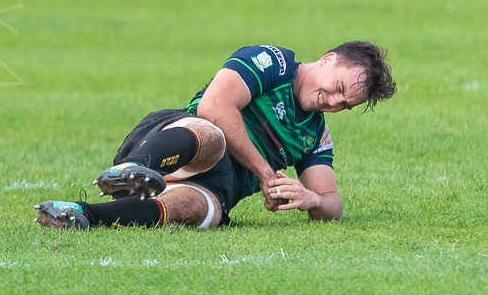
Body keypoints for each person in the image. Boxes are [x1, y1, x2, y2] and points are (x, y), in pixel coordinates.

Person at [35, 41, 396, 230]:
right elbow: (214, 107)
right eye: (337, 88)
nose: (332, 102)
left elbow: (332, 204)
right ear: (328, 59)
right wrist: (266, 175)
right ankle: (133, 170)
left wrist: (309, 199)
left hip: (217, 186)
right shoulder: (275, 62)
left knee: (200, 212)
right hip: (175, 141)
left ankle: (80, 214)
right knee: (212, 135)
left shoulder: (315, 135)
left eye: (344, 104)